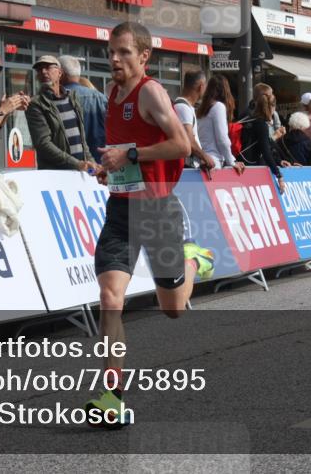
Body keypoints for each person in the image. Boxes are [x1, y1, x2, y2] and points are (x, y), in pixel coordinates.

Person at [85, 22, 212, 426]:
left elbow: (181, 144)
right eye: (111, 52)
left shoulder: (151, 92)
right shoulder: (112, 94)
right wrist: (111, 170)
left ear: (144, 57)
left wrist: (131, 155)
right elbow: (125, 155)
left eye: (124, 52)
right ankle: (112, 395)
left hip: (158, 210)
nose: (115, 59)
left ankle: (192, 261)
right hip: (121, 210)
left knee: (172, 309)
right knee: (110, 298)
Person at [25, 55, 97, 171]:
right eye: (39, 70)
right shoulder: (36, 104)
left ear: (60, 73)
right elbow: (43, 144)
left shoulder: (72, 99)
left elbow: (81, 141)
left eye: (48, 67)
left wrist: (92, 164)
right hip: (56, 174)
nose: (43, 72)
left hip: (79, 172)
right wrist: (76, 164)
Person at [59, 55, 107, 162]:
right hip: (98, 164)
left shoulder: (56, 99)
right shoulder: (101, 98)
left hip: (70, 165)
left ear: (60, 73)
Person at [196, 74, 244, 173]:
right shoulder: (218, 107)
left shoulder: (202, 109)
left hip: (202, 160)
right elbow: (222, 139)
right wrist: (231, 161)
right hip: (214, 162)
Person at [241, 93, 286, 194]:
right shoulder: (261, 125)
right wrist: (279, 175)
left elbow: (267, 142)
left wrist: (279, 161)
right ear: (272, 107)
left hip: (243, 164)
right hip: (251, 168)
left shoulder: (251, 119)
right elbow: (266, 152)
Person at [173, 69, 215, 171]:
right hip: (187, 169)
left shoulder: (185, 107)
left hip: (190, 167)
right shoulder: (183, 108)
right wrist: (205, 157)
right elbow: (189, 141)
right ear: (201, 86)